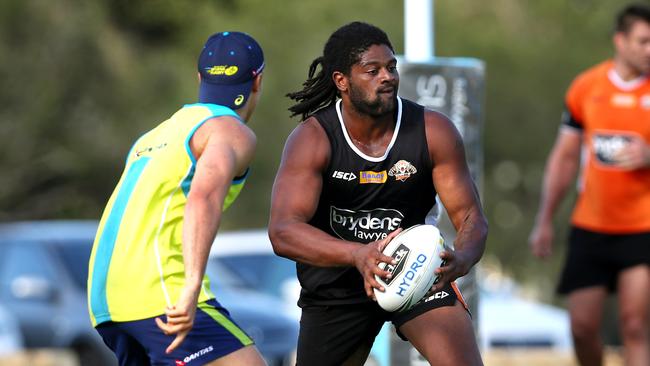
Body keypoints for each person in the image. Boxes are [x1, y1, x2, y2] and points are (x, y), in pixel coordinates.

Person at [268, 21, 487, 366]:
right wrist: (358, 255)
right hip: (337, 287)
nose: (387, 77)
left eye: (391, 67)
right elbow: (283, 232)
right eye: (372, 71)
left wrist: (463, 257)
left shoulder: (433, 130)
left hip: (416, 273)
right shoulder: (313, 139)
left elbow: (472, 218)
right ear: (341, 81)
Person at [86, 31, 267, 366]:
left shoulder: (156, 134)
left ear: (200, 78)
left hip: (107, 297)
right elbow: (203, 197)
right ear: (256, 81)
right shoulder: (229, 130)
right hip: (160, 289)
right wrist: (191, 286)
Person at [529, 4, 650, 366]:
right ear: (620, 40)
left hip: (642, 227)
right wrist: (544, 220)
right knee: (581, 326)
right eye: (643, 42)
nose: (649, 50)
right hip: (591, 225)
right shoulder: (587, 86)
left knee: (634, 324)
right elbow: (565, 158)